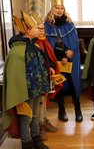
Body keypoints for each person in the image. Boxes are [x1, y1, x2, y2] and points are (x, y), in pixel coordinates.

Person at [3, 10, 49, 149]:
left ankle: (36, 139)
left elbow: (41, 67)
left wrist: (43, 86)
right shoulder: (16, 51)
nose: (39, 30)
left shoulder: (34, 46)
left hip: (36, 89)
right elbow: (14, 74)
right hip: (24, 92)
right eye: (36, 28)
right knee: (25, 117)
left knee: (35, 116)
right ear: (28, 31)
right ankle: (26, 142)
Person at [44, 0, 83, 122]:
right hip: (55, 58)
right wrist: (55, 58)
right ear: (52, 9)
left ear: (64, 9)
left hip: (70, 57)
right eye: (57, 7)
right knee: (58, 83)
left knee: (73, 84)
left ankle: (78, 110)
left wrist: (71, 51)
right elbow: (48, 45)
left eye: (61, 8)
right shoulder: (46, 26)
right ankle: (62, 110)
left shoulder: (69, 24)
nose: (59, 10)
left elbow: (74, 41)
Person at [32, 12, 60, 140]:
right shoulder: (33, 44)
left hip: (47, 77)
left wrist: (53, 67)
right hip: (38, 78)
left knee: (44, 101)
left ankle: (44, 120)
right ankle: (40, 126)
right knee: (39, 103)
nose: (42, 31)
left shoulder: (45, 41)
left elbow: (50, 58)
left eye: (43, 28)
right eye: (39, 28)